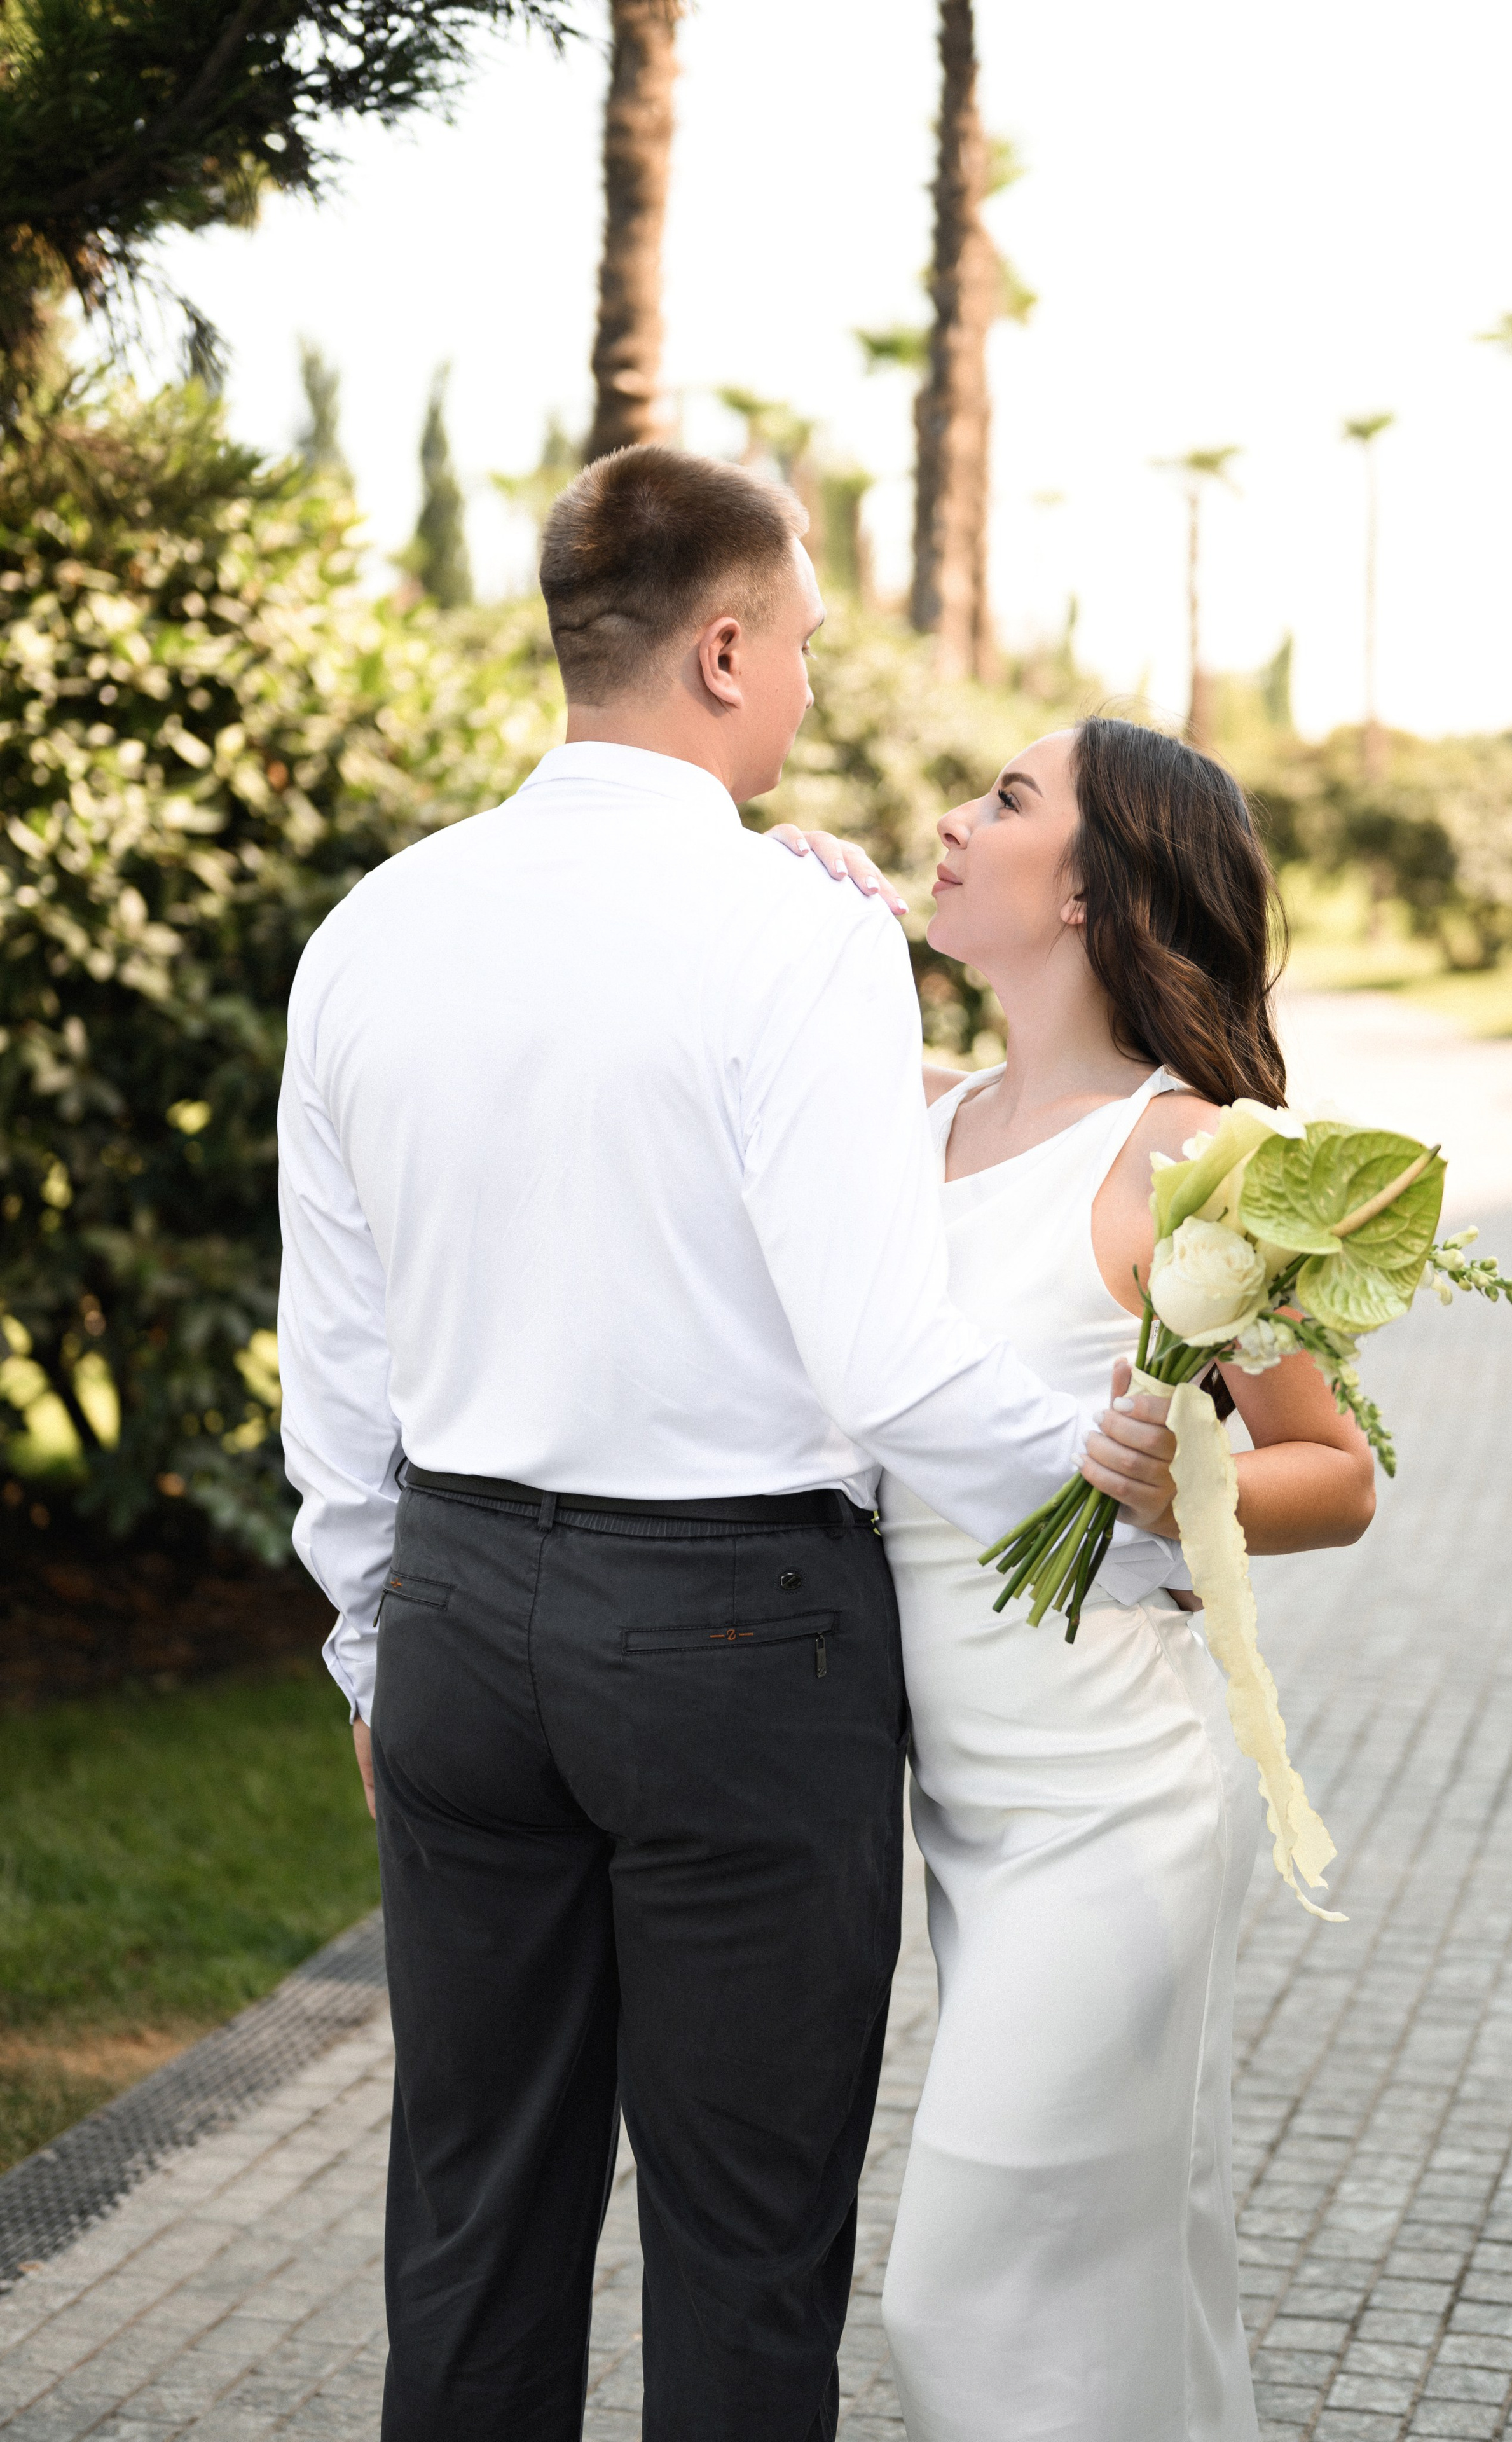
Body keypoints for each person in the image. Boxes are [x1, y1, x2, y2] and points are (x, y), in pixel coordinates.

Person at [276, 447, 1130, 2442]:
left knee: (472, 2221)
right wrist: (1128, 1511)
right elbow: (891, 1358)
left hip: (461, 1617)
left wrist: (368, 1641)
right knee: (745, 2256)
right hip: (744, 1642)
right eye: (810, 650)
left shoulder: (370, 930)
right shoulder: (794, 934)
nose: (819, 693)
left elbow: (339, 1356)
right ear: (724, 647)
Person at [855, 718, 1374, 2441]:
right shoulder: (923, 1134)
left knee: (964, 2297)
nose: (948, 818)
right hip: (967, 1817)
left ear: (1092, 887)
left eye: (1002, 798)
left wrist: (1186, 1481)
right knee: (1126, 2283)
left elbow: (1341, 1472)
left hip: (1117, 1814)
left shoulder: (1194, 1152)